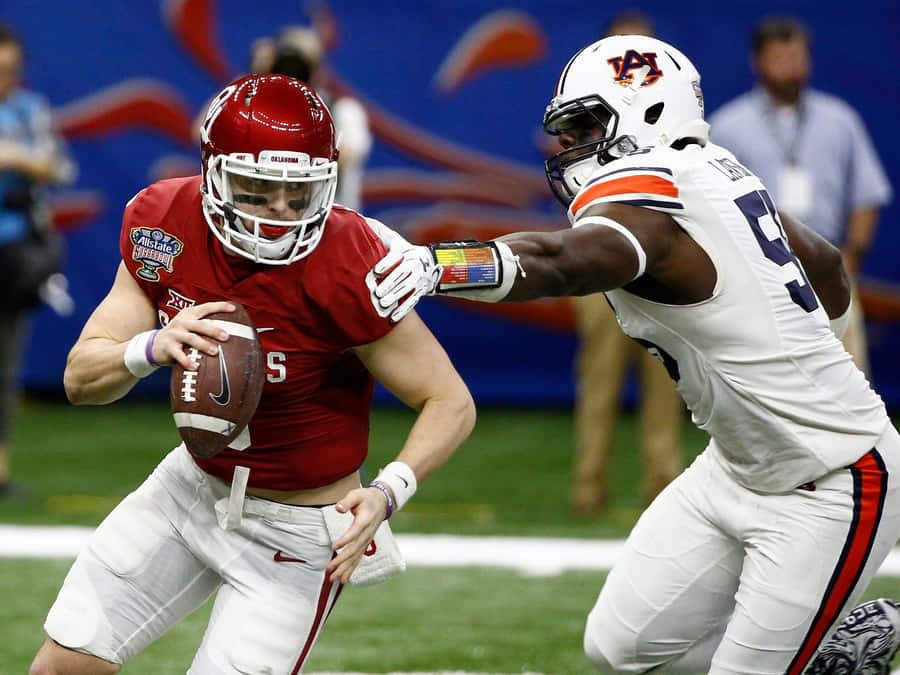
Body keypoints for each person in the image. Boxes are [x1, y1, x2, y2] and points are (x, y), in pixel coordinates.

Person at [370, 34, 900, 674]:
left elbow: (561, 260)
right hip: (735, 464)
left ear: (649, 115)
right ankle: (826, 659)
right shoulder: (710, 172)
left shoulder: (657, 202)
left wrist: (442, 265)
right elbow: (824, 262)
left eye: (587, 127)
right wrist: (809, 342)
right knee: (622, 647)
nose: (570, 146)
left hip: (833, 479)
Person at [29, 74, 474, 675]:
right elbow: (80, 380)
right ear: (213, 173)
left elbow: (449, 401)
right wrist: (153, 345)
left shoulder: (349, 261)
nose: (281, 213)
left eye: (299, 193)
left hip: (296, 532)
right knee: (63, 667)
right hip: (189, 489)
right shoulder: (165, 222)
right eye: (258, 190)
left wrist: (388, 491)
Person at [709, 16, 892, 376]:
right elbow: (711, 202)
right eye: (779, 58)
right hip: (758, 269)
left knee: (848, 371)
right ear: (758, 62)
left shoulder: (840, 120)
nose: (790, 67)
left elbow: (867, 193)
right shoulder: (729, 126)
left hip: (829, 264)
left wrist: (853, 254)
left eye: (797, 57)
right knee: (766, 375)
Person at [571, 9, 683, 514]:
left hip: (662, 259)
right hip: (603, 258)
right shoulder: (583, 114)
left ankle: (663, 483)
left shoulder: (672, 114)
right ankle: (589, 483)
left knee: (669, 377)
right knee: (599, 376)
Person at [0, 22, 75, 498]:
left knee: (4, 363)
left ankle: (0, 472)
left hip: (12, 251)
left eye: (9, 70)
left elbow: (59, 166)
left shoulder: (29, 109)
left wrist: (16, 158)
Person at [250, 25, 371, 211]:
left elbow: (345, 157)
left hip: (329, 220)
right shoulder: (258, 107)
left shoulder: (343, 111)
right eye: (286, 63)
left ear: (319, 70)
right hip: (272, 218)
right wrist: (254, 80)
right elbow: (208, 134)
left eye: (302, 63)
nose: (293, 71)